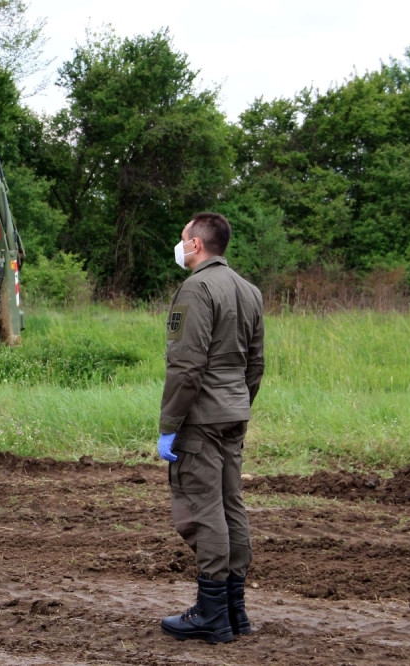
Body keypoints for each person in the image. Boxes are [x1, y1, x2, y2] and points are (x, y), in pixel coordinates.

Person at [157, 212, 265, 643]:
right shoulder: (249, 290)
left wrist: (170, 423)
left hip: (201, 418)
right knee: (229, 504)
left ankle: (212, 614)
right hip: (234, 413)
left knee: (204, 510)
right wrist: (239, 404)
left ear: (197, 245)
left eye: (183, 238)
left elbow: (186, 366)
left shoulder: (196, 288)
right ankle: (235, 611)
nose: (180, 244)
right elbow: (255, 364)